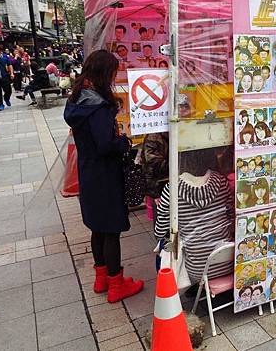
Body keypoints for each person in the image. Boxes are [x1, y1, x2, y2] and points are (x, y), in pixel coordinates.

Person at [64, 49, 144, 303]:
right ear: (102, 73)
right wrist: (123, 142)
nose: (114, 77)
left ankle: (102, 279)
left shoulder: (78, 100)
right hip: (105, 176)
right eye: (112, 72)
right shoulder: (97, 107)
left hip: (89, 173)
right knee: (111, 231)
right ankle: (116, 284)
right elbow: (104, 144)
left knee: (97, 228)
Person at [155, 148, 234, 282]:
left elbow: (160, 232)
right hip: (229, 261)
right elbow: (231, 218)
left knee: (168, 247)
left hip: (197, 269)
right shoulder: (222, 182)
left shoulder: (172, 189)